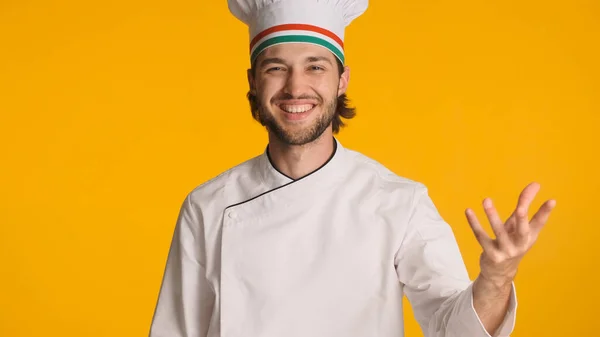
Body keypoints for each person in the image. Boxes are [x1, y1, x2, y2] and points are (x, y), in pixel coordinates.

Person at [148, 1, 556, 336]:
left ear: (342, 80)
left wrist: (498, 278)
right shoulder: (206, 207)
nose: (295, 88)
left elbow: (454, 329)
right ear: (253, 80)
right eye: (276, 68)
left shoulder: (399, 202)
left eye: (315, 66)